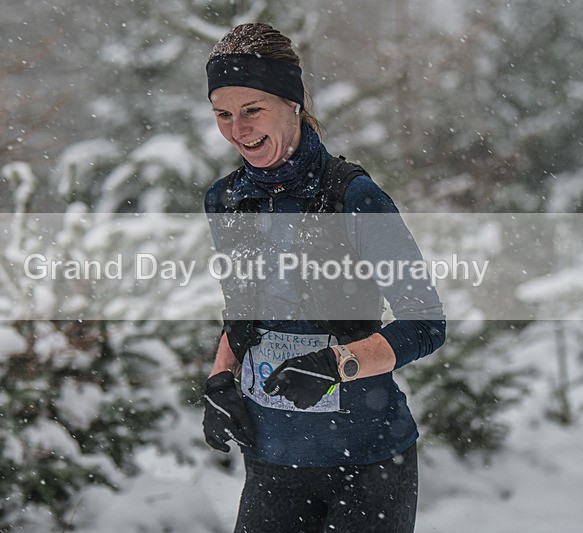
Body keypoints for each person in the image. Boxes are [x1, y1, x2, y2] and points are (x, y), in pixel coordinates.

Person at [201, 22, 446, 533]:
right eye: (223, 114)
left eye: (252, 110)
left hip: (367, 461)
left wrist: (339, 364)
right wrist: (220, 379)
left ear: (291, 103)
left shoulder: (352, 197)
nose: (237, 129)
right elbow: (242, 313)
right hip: (272, 461)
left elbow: (426, 323)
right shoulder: (225, 201)